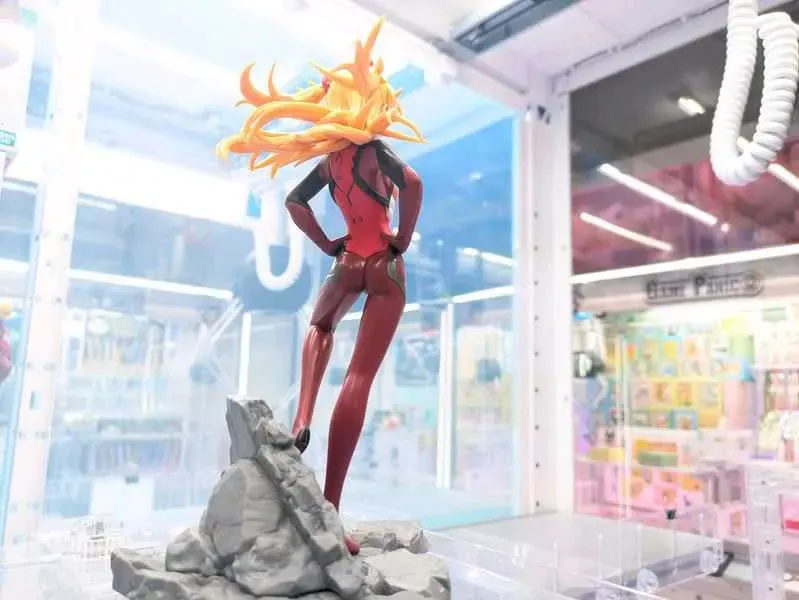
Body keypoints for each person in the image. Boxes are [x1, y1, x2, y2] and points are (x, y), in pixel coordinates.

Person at [218, 17, 424, 554]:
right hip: (384, 263)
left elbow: (294, 202)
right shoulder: (375, 152)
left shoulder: (332, 162)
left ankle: (303, 413)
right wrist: (403, 237)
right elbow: (413, 182)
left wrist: (327, 243)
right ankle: (331, 505)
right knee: (359, 376)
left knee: (319, 325)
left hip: (348, 257)